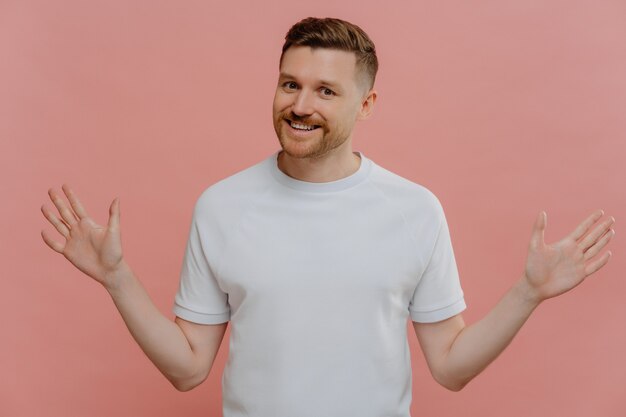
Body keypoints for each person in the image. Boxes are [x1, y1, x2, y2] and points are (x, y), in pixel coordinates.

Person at [41, 17, 615, 417]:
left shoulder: (414, 209)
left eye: (325, 91)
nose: (300, 105)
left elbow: (450, 366)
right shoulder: (221, 205)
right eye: (290, 84)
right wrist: (117, 279)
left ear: (365, 105)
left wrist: (529, 292)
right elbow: (189, 368)